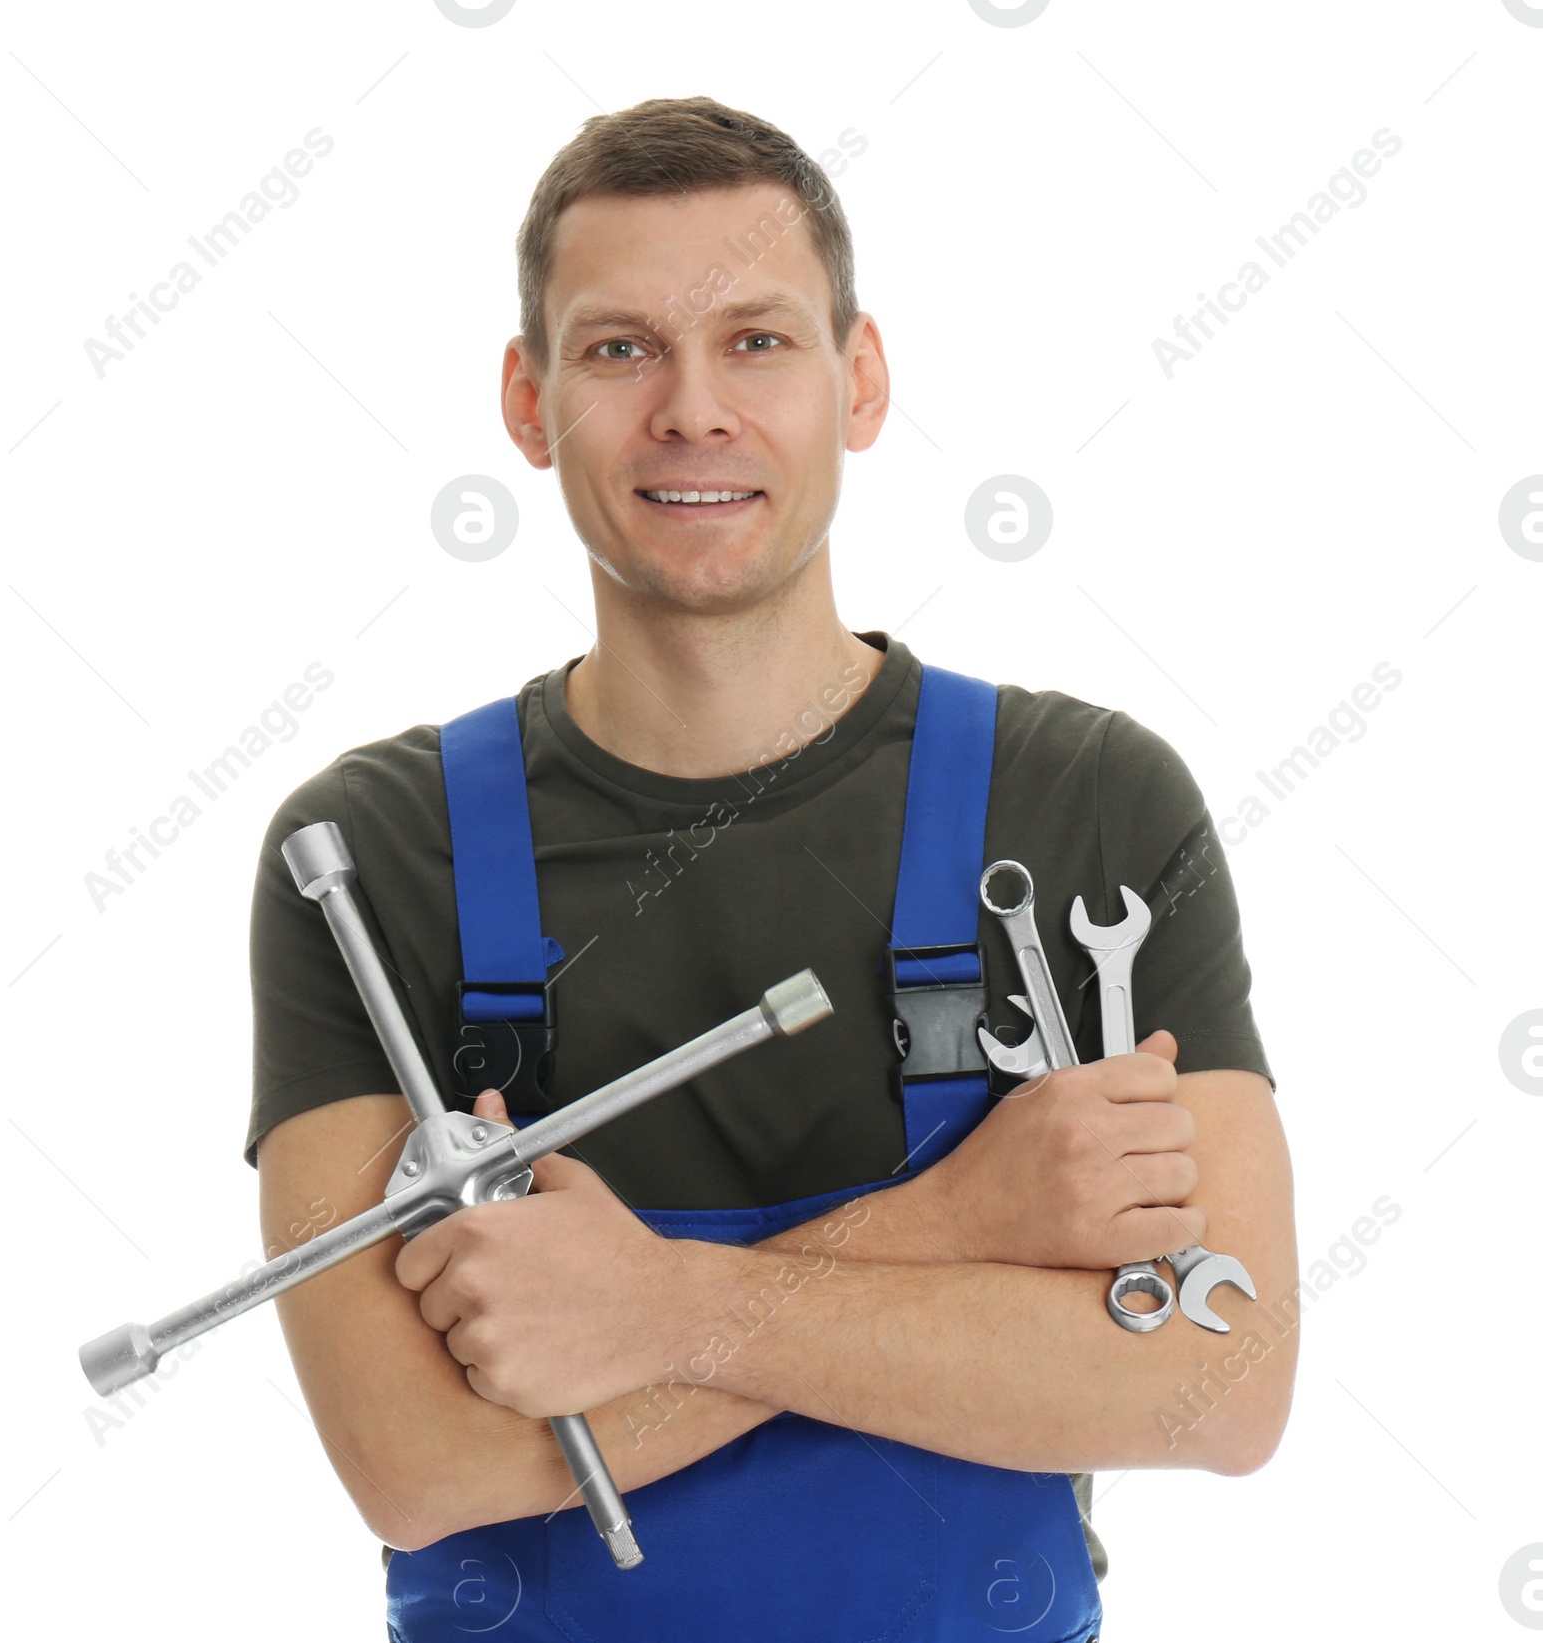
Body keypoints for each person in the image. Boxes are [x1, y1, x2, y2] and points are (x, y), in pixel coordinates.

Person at [246, 94, 1298, 1642]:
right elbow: (420, 1467)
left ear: (858, 381)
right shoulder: (373, 854)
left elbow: (1218, 1384)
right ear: (528, 404)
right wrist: (963, 1225)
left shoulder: (1085, 802)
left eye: (757, 340)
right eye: (619, 350)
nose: (692, 410)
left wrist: (649, 1311)